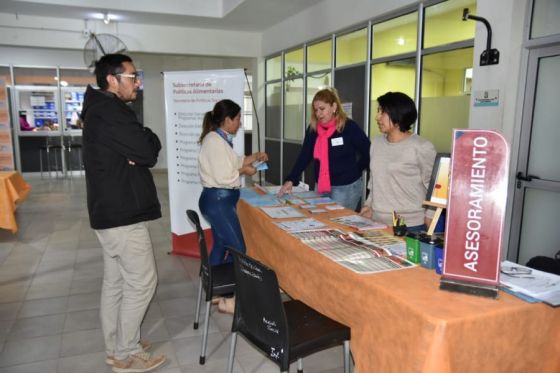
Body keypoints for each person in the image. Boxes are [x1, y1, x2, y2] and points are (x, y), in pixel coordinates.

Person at [82, 54, 166, 373]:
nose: (137, 83)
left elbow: (142, 148)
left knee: (116, 283)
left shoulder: (102, 109)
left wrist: (142, 143)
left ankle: (116, 346)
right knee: (143, 281)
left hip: (109, 212)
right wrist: (143, 144)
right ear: (112, 80)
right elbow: (147, 150)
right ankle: (126, 351)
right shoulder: (110, 111)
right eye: (132, 77)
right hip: (122, 215)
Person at [198, 99, 268, 314]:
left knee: (221, 244)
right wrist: (245, 171)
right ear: (227, 120)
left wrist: (253, 157)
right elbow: (225, 175)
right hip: (218, 201)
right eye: (237, 119)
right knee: (239, 248)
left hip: (219, 200)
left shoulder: (219, 139)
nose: (239, 123)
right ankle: (230, 298)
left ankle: (215, 290)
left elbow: (235, 162)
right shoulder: (213, 141)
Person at [277, 88, 370, 211]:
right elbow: (304, 156)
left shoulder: (348, 127)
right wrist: (291, 179)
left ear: (334, 107)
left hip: (346, 187)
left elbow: (368, 151)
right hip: (321, 185)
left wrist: (356, 170)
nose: (318, 114)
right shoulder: (314, 129)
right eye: (316, 110)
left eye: (322, 109)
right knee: (321, 220)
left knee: (337, 224)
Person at [360, 91, 436, 231]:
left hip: (409, 224)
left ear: (397, 114)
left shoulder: (421, 147)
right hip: (377, 221)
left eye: (382, 113)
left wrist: (431, 214)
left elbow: (435, 187)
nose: (377, 117)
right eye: (378, 111)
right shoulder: (376, 143)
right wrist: (368, 205)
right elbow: (375, 181)